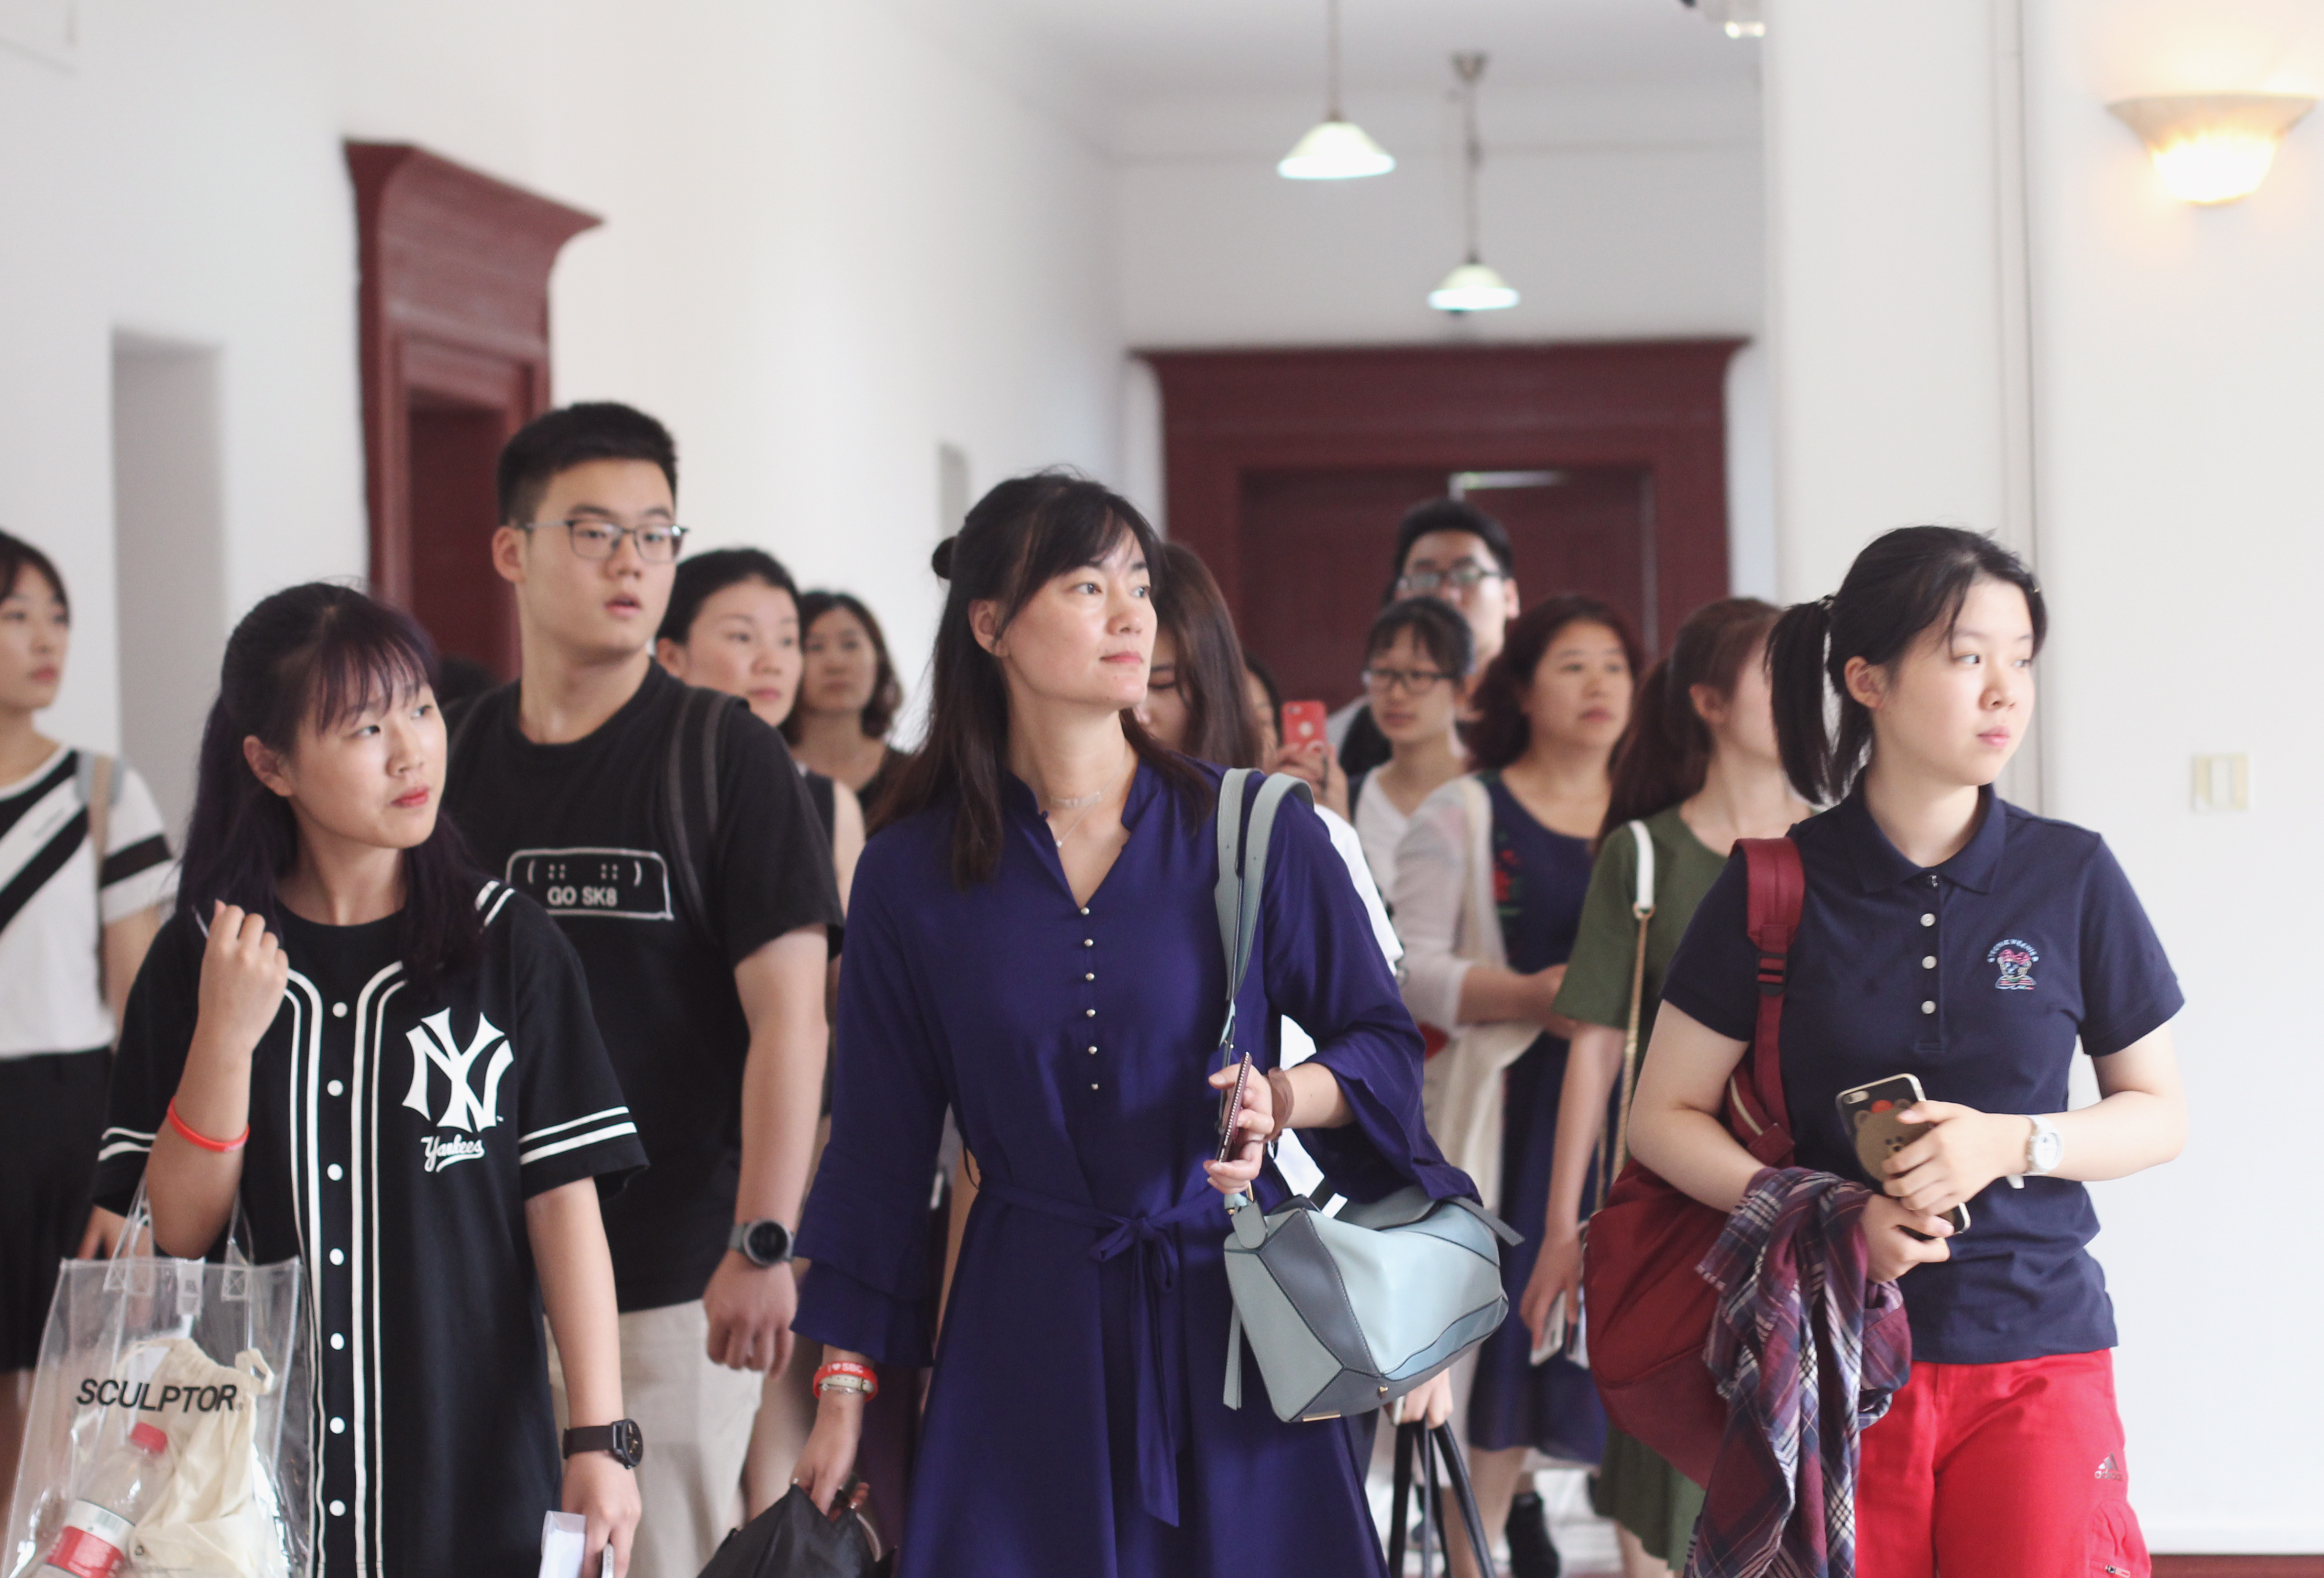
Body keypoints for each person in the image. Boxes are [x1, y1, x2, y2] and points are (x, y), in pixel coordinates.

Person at [786, 472, 1468, 1577]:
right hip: (1019, 1326)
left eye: (1139, 586)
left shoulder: (1258, 829)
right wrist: (844, 1386)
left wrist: (1283, 1095)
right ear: (990, 625)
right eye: (1086, 585)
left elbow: (1382, 1045)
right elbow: (878, 1151)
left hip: (1234, 1312)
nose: (1130, 615)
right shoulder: (909, 873)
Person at [1632, 528, 2185, 1578]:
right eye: (1968, 656)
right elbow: (1661, 1119)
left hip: (2038, 1349)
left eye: (2020, 659)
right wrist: (1828, 1217)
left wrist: (2009, 1143)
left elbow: (2157, 1111)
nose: (2004, 691)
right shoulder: (1773, 884)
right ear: (1868, 680)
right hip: (1832, 1354)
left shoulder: (2071, 875)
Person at [93, 584, 646, 1576]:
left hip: (472, 1469)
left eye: (422, 710)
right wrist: (225, 1038)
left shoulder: (508, 945)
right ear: (270, 764)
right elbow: (176, 1232)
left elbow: (563, 1204)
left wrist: (599, 1439)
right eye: (364, 727)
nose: (411, 752)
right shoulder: (201, 955)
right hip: (250, 1491)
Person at [441, 403, 845, 1578]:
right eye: (594, 531)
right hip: (476, 1278)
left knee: (659, 1557)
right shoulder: (451, 759)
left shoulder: (724, 755)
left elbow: (791, 1022)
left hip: (669, 1279)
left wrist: (762, 1240)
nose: (631, 562)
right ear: (512, 549)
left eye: (656, 534)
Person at [1516, 597, 1796, 1576]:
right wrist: (1564, 1229)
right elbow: (1595, 1050)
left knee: (1796, 1473)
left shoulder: (1841, 849)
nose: (1799, 697)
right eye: (1774, 676)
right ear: (1710, 702)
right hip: (1674, 1206)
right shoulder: (1643, 856)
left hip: (1803, 1202)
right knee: (1668, 1481)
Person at [1393, 596, 1641, 1578]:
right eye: (1572, 665)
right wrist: (1532, 995)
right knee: (1498, 1364)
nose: (1599, 685)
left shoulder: (1656, 815)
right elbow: (1406, 970)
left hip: (1633, 1120)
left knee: (1640, 1364)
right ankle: (1470, 1558)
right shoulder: (1464, 811)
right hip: (1510, 1116)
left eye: (1614, 664)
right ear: (1523, 689)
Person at [0, 533, 173, 1503]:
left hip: (66, 1124)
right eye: (17, 615)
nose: (46, 639)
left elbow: (140, 1011)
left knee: (65, 1426)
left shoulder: (101, 792)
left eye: (57, 617)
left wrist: (134, 1183)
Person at [656, 548, 865, 907]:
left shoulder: (829, 804)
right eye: (742, 637)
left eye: (787, 641)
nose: (773, 664)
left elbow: (851, 942)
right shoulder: (635, 779)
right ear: (672, 657)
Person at [1331, 498, 1521, 778]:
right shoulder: (1348, 733)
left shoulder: (1539, 715)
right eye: (1425, 578)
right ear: (1399, 599)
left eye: (1467, 574)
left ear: (1510, 597)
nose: (1446, 594)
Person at [1345, 597, 1474, 898]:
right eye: (1383, 673)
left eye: (1418, 675)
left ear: (1462, 690)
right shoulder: (1351, 799)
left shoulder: (1492, 792)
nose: (1397, 694)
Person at [785, 593, 908, 818]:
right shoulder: (767, 772)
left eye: (850, 645)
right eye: (815, 647)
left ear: (879, 659)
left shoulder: (917, 776)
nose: (836, 663)